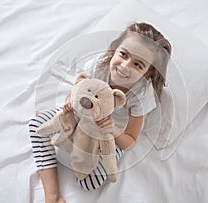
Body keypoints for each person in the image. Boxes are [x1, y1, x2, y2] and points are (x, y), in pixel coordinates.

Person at [28, 22, 171, 203]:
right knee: (37, 125)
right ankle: (53, 195)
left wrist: (113, 129)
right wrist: (69, 104)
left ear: (148, 74)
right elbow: (76, 92)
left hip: (110, 136)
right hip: (82, 115)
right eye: (123, 54)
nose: (125, 66)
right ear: (114, 50)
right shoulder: (98, 66)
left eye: (138, 64)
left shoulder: (142, 95)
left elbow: (130, 142)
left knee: (89, 183)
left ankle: (78, 148)